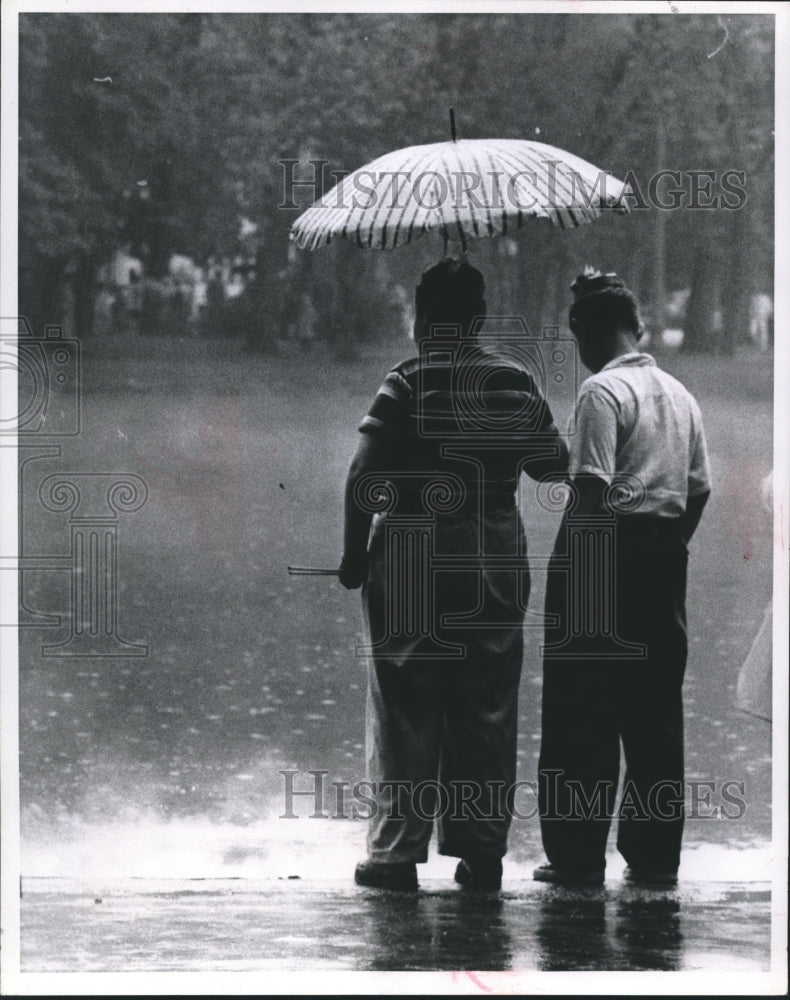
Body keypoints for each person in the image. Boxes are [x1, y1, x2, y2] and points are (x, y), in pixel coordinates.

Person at [339, 258, 568, 892]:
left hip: (414, 545)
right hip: (493, 548)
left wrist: (355, 557)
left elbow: (363, 477)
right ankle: (482, 853)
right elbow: (553, 466)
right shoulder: (515, 382)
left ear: (425, 318)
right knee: (486, 701)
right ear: (479, 319)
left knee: (406, 699)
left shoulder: (406, 381)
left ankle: (395, 853)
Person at [534, 270, 711, 887]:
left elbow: (589, 491)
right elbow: (699, 488)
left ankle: (577, 856)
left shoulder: (600, 394)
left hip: (601, 558)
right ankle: (655, 854)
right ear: (636, 328)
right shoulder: (680, 395)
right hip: (663, 562)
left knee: (581, 711)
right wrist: (668, 549)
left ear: (585, 333)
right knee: (655, 712)